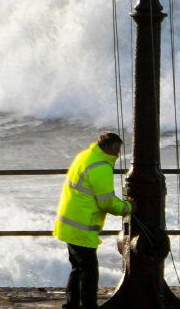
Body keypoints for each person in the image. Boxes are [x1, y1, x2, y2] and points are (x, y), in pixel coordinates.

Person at [54, 132, 132, 309]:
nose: (118, 154)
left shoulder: (84, 156)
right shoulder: (101, 167)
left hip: (69, 222)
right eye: (117, 149)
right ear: (109, 147)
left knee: (77, 267)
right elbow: (107, 203)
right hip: (82, 226)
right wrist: (128, 207)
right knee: (89, 271)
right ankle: (88, 305)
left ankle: (72, 304)